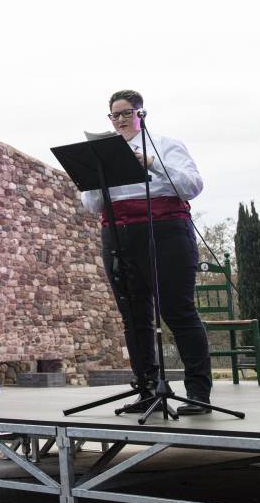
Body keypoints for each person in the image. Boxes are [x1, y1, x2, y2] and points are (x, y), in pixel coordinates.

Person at [81, 89, 210, 416]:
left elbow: (192, 185)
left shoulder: (165, 145)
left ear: (141, 114)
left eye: (127, 113)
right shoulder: (106, 152)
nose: (121, 120)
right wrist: (96, 176)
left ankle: (198, 392)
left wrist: (151, 164)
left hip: (164, 232)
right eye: (115, 115)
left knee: (177, 310)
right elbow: (92, 205)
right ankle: (146, 389)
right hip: (118, 235)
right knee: (134, 316)